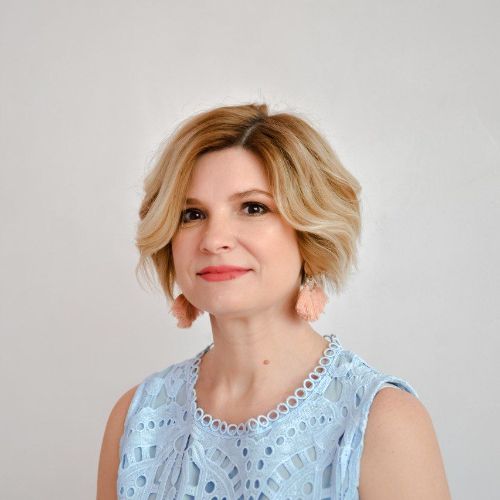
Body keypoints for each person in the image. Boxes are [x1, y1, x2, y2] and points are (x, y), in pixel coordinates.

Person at [96, 103, 451, 499]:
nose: (214, 240)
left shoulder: (383, 421)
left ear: (309, 233)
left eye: (253, 208)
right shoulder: (137, 419)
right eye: (192, 214)